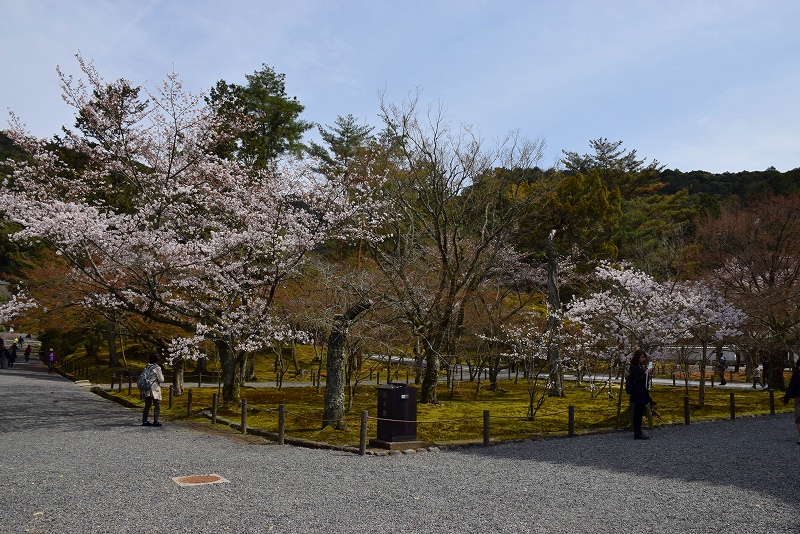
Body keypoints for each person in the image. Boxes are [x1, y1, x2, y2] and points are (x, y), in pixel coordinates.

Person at [627, 349, 654, 440]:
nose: (643, 359)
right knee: (637, 412)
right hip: (638, 392)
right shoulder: (633, 367)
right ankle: (637, 432)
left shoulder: (640, 366)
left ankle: (639, 430)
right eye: (642, 357)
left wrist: (649, 376)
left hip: (642, 391)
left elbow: (643, 380)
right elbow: (637, 380)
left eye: (644, 357)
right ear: (637, 357)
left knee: (640, 411)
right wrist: (646, 373)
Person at [141, 352, 165, 427]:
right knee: (157, 404)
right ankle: (156, 421)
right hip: (154, 389)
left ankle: (144, 421)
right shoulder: (157, 368)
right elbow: (161, 379)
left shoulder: (147, 366)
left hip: (146, 388)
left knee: (147, 405)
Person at [782, 359, 800, 445]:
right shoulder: (796, 376)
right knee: (799, 418)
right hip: (799, 398)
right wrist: (786, 398)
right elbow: (791, 387)